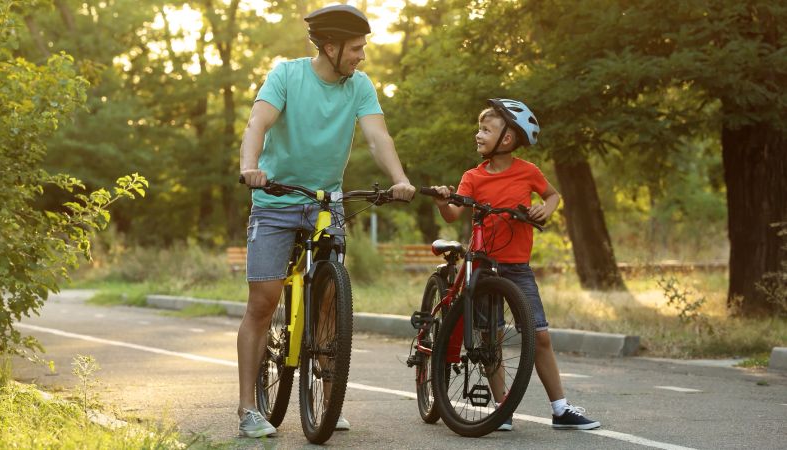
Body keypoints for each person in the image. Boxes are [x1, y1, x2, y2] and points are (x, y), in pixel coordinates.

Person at [236, 4, 416, 438]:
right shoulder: (286, 75)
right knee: (263, 302)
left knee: (329, 299)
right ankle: (247, 409)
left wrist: (399, 179)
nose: (362, 56)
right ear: (330, 47)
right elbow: (258, 123)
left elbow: (378, 136)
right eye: (355, 48)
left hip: (326, 201)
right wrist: (250, 166)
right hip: (277, 199)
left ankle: (329, 400)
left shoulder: (360, 86)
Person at [428, 98, 601, 431]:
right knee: (490, 336)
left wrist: (546, 210)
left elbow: (552, 195)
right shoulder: (473, 177)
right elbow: (453, 214)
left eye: (485, 129)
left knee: (540, 336)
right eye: (479, 128)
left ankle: (561, 409)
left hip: (516, 267)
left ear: (506, 139)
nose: (478, 134)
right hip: (482, 266)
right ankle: (501, 406)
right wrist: (441, 203)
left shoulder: (528, 172)